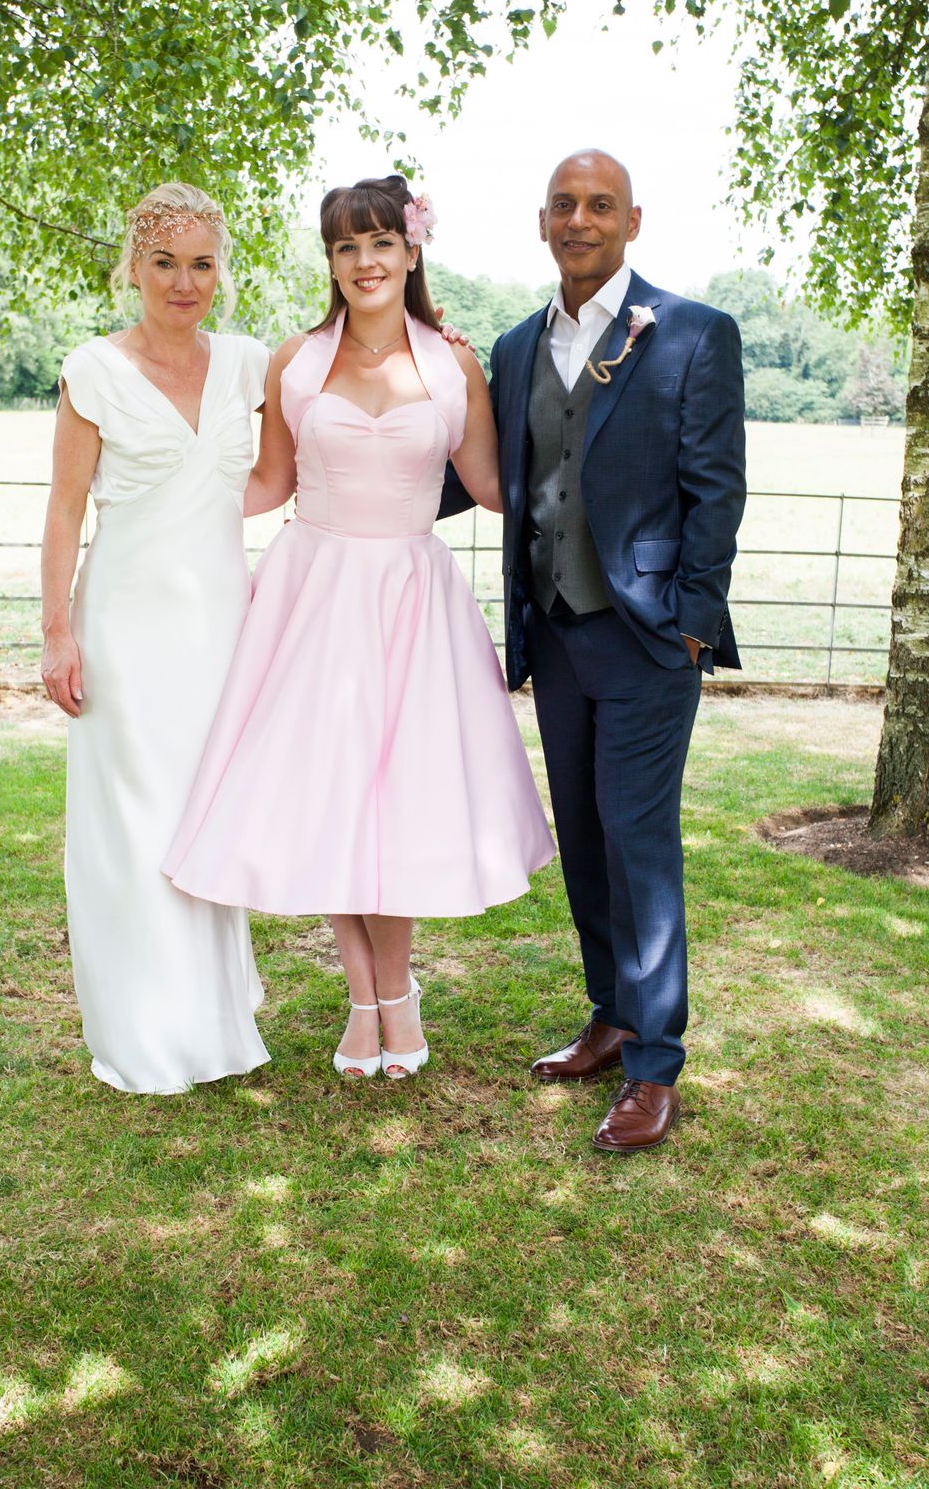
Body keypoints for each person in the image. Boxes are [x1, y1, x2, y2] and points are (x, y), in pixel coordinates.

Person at [164, 175, 554, 1079]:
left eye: (381, 242)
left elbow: (493, 487)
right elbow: (267, 483)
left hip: (413, 601)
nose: (364, 261)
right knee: (330, 795)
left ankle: (399, 991)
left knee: (399, 800)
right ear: (332, 261)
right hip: (313, 597)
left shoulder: (452, 363)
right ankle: (363, 999)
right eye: (346, 246)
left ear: (411, 251)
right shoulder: (296, 361)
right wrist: (163, 502)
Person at [442, 149, 745, 1150]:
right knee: (581, 833)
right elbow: (481, 474)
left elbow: (716, 491)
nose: (580, 219)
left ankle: (655, 1065)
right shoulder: (514, 346)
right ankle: (611, 1016)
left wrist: (690, 622)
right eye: (563, 205)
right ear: (541, 223)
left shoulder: (692, 333)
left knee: (637, 839)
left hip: (649, 637)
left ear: (631, 222)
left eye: (599, 205)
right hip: (555, 632)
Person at [40, 182, 270, 1093]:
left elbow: (348, 371)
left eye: (201, 264)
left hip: (219, 628)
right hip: (124, 629)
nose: (184, 282)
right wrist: (57, 633)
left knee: (204, 812)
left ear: (221, 270)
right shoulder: (93, 370)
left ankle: (213, 1019)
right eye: (164, 262)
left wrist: (430, 333)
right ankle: (142, 1028)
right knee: (135, 823)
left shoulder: (250, 365)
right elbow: (64, 513)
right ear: (132, 268)